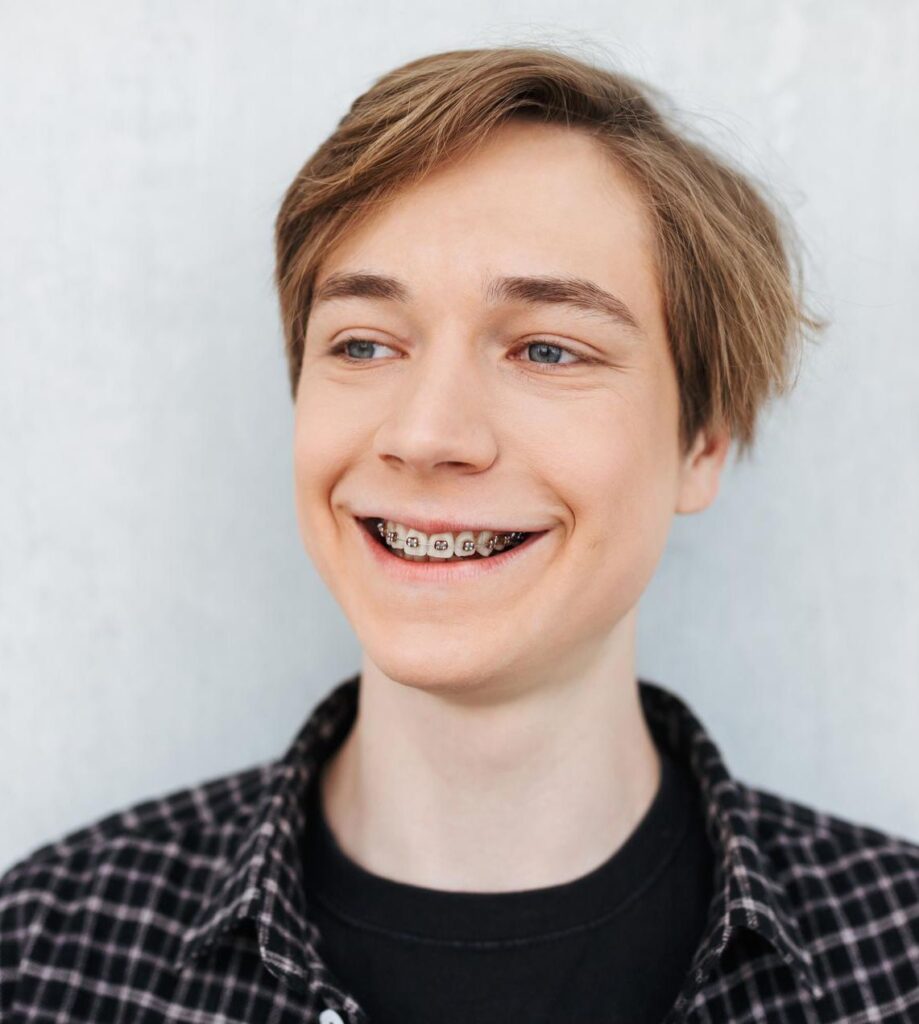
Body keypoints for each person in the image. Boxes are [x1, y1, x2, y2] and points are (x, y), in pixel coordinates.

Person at [2, 44, 918, 1024]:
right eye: (363, 342)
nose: (425, 434)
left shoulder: (895, 959)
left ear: (700, 442)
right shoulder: (44, 954)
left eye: (546, 348)